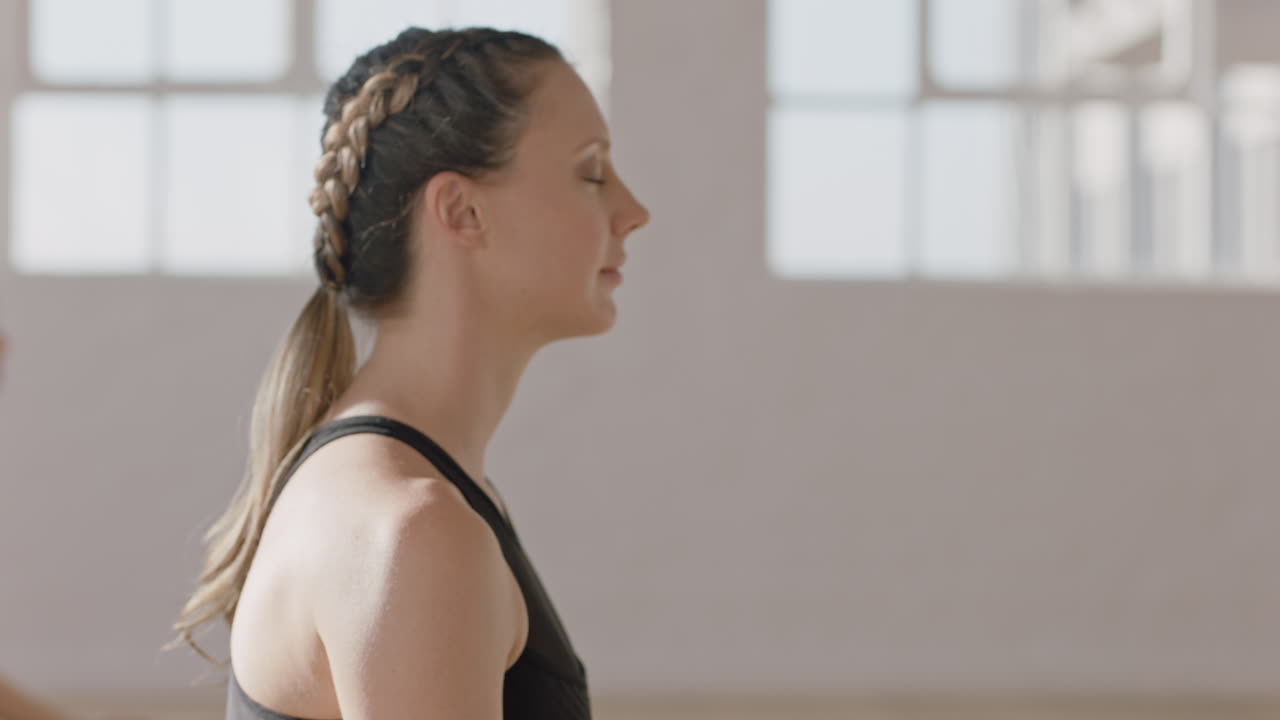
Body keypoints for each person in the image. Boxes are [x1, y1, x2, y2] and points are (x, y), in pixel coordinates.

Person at [167, 25, 649, 720]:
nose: (633, 212)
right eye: (591, 171)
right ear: (461, 210)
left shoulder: (429, 505)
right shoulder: (414, 533)